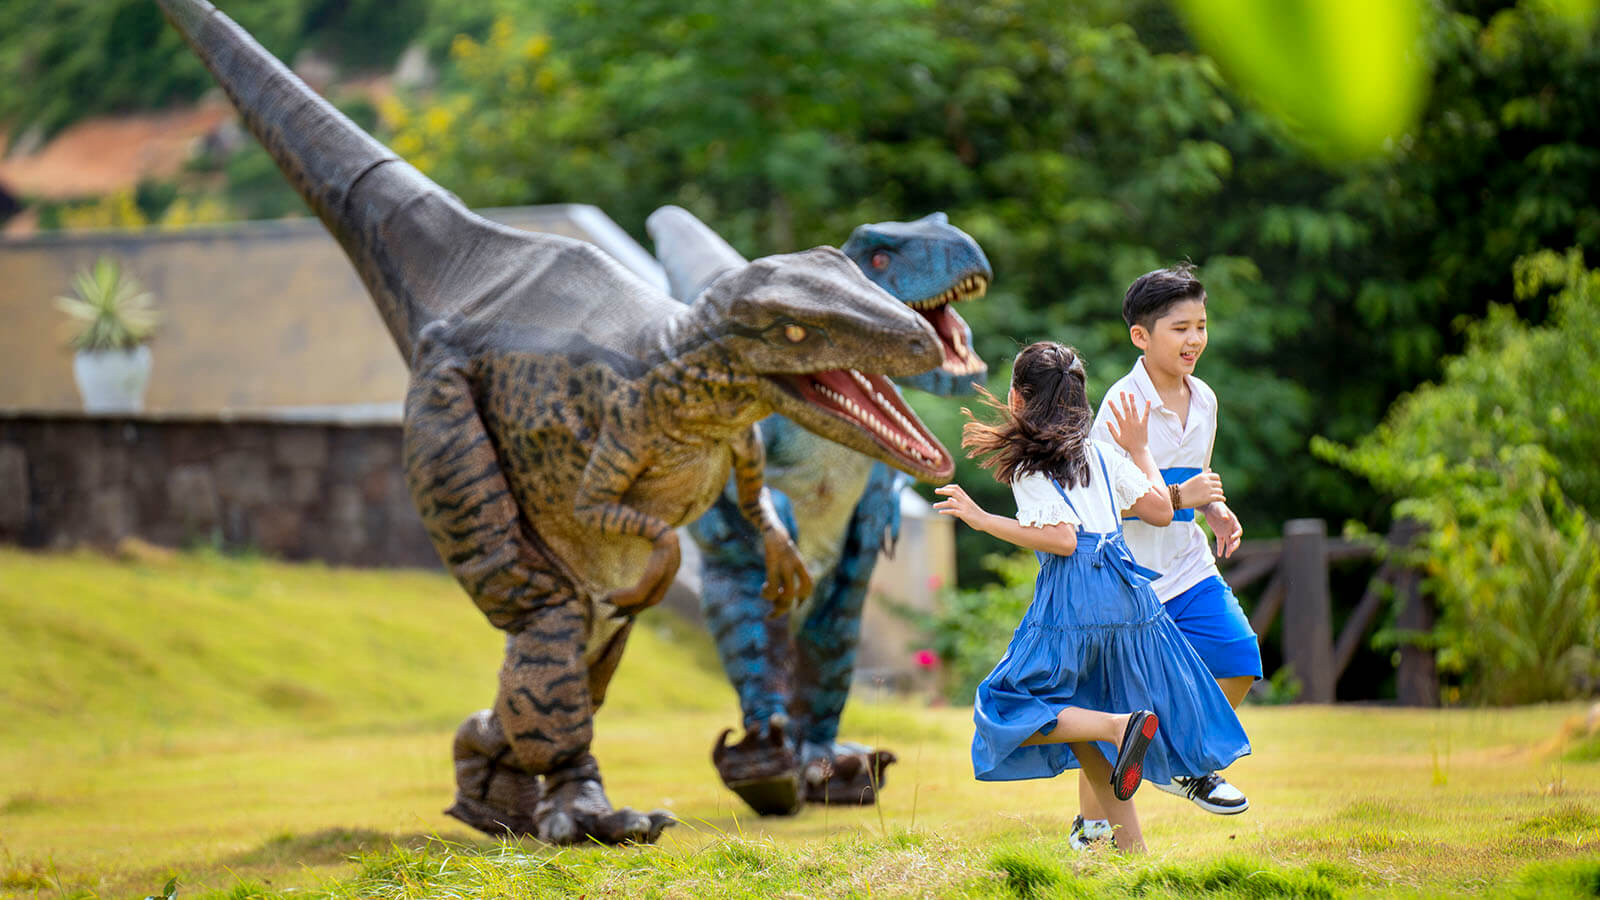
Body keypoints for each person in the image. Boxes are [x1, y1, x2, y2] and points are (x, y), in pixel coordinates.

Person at [933, 341, 1249, 852]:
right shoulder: (1101, 454)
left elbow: (1060, 539)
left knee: (1008, 706)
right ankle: (1134, 857)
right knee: (1086, 734)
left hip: (1076, 598)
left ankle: (1121, 725)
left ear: (1018, 399)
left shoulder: (1029, 466)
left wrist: (982, 518)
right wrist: (1141, 448)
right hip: (1130, 594)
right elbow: (1159, 510)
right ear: (1080, 399)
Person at [1070, 265, 1264, 848]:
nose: (1194, 339)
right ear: (1141, 336)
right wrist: (1184, 497)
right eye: (1180, 327)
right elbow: (1102, 505)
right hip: (1132, 581)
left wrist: (1214, 510)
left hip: (1190, 565)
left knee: (1239, 655)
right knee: (1122, 710)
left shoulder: (1203, 397)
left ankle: (1189, 764)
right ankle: (1094, 825)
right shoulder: (1122, 407)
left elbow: (1194, 478)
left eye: (1201, 326)